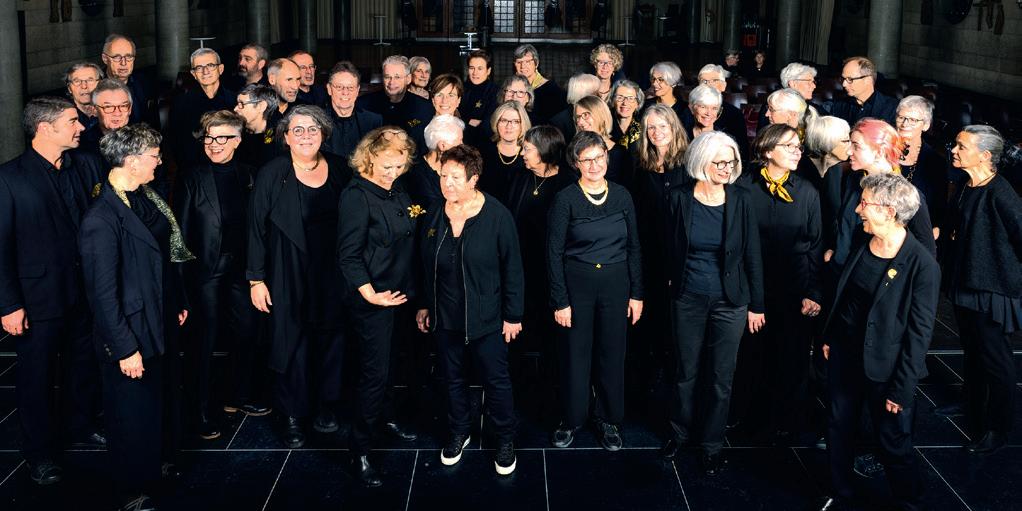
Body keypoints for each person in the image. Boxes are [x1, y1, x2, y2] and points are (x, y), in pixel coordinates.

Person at [80, 123, 192, 511]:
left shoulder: (146, 198)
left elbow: (163, 256)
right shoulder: (101, 219)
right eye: (154, 156)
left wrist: (176, 299)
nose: (159, 162)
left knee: (157, 401)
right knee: (130, 412)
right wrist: (124, 348)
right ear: (131, 161)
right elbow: (102, 294)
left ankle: (158, 464)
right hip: (130, 329)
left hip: (158, 317)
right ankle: (131, 489)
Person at [0, 97, 107, 486]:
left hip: (83, 290)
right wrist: (8, 304)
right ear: (45, 128)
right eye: (72, 121)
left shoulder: (86, 165)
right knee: (37, 377)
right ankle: (40, 453)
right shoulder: (8, 178)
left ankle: (81, 425)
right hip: (37, 297)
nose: (82, 127)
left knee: (83, 365)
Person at [818, 173, 938, 511]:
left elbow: (919, 334)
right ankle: (841, 491)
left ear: (888, 211)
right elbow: (846, 297)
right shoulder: (863, 241)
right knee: (839, 426)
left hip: (886, 367)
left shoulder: (922, 266)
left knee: (892, 442)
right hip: (845, 354)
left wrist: (902, 389)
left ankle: (909, 501)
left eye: (864, 203)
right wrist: (831, 337)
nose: (858, 210)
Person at [660, 131, 764, 478]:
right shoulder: (678, 198)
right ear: (701, 162)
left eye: (731, 162)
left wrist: (757, 304)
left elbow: (752, 254)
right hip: (687, 297)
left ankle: (712, 445)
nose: (726, 168)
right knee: (685, 372)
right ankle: (678, 434)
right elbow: (665, 246)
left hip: (730, 302)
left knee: (721, 377)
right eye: (719, 162)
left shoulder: (742, 199)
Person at [416, 143, 525, 476]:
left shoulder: (498, 216)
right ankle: (459, 431)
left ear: (473, 178)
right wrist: (425, 304)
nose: (447, 183)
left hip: (487, 316)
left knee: (496, 380)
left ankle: (504, 438)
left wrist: (513, 315)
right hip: (445, 314)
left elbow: (513, 268)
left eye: (455, 177)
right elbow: (425, 264)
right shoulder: (434, 213)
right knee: (452, 378)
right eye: (443, 176)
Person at [247, 105, 351, 449]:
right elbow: (256, 228)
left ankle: (326, 405)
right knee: (291, 341)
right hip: (286, 268)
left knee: (331, 338)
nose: (306, 136)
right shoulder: (272, 172)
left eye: (313, 129)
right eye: (298, 130)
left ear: (323, 134)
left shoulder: (339, 167)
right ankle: (292, 413)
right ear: (286, 137)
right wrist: (256, 279)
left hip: (332, 270)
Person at [173, 110, 269, 442]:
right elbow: (179, 235)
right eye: (209, 138)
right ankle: (199, 410)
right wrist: (181, 285)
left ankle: (236, 395)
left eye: (223, 138)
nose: (214, 144)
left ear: (238, 141)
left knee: (247, 331)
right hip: (206, 271)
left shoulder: (250, 175)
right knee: (205, 340)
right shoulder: (191, 177)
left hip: (242, 269)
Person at [547, 131, 643, 451]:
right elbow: (553, 253)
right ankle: (571, 418)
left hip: (617, 284)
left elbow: (634, 247)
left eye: (599, 157)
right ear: (576, 163)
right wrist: (560, 300)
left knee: (612, 353)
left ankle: (608, 418)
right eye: (586, 159)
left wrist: (637, 293)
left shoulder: (623, 195)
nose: (594, 165)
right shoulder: (565, 199)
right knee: (575, 354)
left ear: (607, 157)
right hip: (577, 286)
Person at [729, 124, 823, 440]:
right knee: (750, 356)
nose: (797, 152)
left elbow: (815, 246)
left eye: (798, 146)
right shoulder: (743, 187)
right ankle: (745, 415)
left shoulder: (807, 192)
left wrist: (813, 292)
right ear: (768, 151)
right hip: (752, 288)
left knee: (791, 357)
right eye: (789, 146)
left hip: (794, 289)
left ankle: (787, 420)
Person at [338, 127, 419, 487]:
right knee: (374, 374)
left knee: (392, 365)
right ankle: (360, 450)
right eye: (387, 166)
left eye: (400, 166)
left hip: (400, 294)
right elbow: (348, 255)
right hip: (374, 299)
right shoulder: (356, 196)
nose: (393, 173)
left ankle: (386, 418)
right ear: (370, 157)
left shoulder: (396, 188)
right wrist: (370, 295)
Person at [946, 125, 1022, 456]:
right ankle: (970, 403)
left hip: (991, 290)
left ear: (985, 155)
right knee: (973, 351)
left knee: (996, 360)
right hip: (966, 283)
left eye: (962, 146)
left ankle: (999, 428)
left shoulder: (1001, 192)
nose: (954, 150)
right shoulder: (968, 184)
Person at [506, 126, 573, 392]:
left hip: (553, 272)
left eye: (528, 149)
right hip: (521, 269)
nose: (522, 153)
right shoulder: (519, 177)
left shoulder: (567, 183)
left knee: (552, 338)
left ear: (545, 150)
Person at [826, 119, 936, 273]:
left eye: (856, 146)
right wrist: (833, 250)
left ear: (879, 152)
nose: (849, 151)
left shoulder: (908, 196)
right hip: (839, 273)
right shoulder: (853, 179)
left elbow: (927, 256)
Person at [169, 48, 236, 169]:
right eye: (199, 67)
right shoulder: (181, 103)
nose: (205, 71)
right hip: (195, 168)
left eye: (210, 65)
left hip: (230, 166)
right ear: (193, 74)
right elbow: (176, 143)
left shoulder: (235, 100)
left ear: (220, 69)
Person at [895, 96, 949, 239]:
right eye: (901, 117)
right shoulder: (882, 150)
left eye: (913, 120)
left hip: (915, 233)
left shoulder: (936, 162)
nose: (905, 124)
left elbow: (938, 208)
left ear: (925, 125)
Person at [356, 55, 433, 154]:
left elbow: (424, 147)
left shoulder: (424, 107)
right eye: (387, 77)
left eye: (397, 77)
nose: (392, 82)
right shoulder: (363, 105)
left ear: (408, 79)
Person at [804, 115, 852, 244]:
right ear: (827, 142)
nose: (851, 147)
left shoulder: (835, 169)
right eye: (845, 141)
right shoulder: (800, 170)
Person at [323, 62, 383, 161]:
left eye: (350, 88)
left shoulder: (373, 121)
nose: (345, 92)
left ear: (357, 90)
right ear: (329, 89)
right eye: (339, 87)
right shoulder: (317, 122)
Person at [404, 114, 464, 207]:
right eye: (459, 141)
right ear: (442, 146)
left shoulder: (460, 165)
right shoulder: (418, 176)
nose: (462, 145)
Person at [478, 101, 531, 204]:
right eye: (504, 120)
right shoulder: (482, 152)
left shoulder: (529, 156)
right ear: (496, 123)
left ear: (523, 125)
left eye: (516, 121)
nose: (509, 126)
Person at [696, 64, 751, 159]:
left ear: (723, 86)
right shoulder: (689, 112)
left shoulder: (734, 114)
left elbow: (742, 151)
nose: (708, 85)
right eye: (704, 81)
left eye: (714, 80)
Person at [574, 95, 632, 185]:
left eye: (585, 115)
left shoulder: (620, 153)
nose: (580, 122)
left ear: (600, 115)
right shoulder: (573, 150)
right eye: (578, 117)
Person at [827, 56, 898, 126]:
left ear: (867, 80)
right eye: (843, 79)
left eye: (850, 79)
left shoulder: (893, 108)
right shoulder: (838, 106)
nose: (844, 84)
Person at [100, 34, 150, 125]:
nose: (123, 63)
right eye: (117, 57)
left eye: (129, 57)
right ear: (105, 59)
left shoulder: (143, 82)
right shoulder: (95, 87)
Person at [79, 79, 134, 155]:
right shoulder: (82, 146)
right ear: (94, 110)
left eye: (123, 106)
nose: (117, 113)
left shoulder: (143, 140)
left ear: (130, 109)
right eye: (108, 107)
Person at [514, 44, 565, 125]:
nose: (523, 66)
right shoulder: (510, 89)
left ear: (536, 63)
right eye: (519, 62)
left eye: (528, 62)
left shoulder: (551, 89)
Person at [234, 84, 282, 170]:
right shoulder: (237, 132)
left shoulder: (280, 139)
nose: (235, 109)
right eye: (237, 104)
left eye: (242, 104)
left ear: (261, 106)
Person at [549, 73, 601, 143]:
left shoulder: (599, 112)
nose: (600, 95)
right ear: (584, 94)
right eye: (595, 92)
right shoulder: (559, 122)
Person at [463, 49, 499, 130]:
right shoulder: (461, 89)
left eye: (480, 68)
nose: (475, 73)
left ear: (488, 71)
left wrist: (465, 120)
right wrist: (468, 121)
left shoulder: (496, 92)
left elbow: (489, 124)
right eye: (472, 68)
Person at [65, 62, 104, 131]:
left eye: (90, 80)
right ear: (69, 88)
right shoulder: (62, 117)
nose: (84, 86)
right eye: (77, 81)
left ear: (101, 84)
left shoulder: (114, 110)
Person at [266, 58, 302, 129]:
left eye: (298, 79)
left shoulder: (304, 109)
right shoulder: (258, 111)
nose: (295, 87)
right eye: (289, 79)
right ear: (272, 80)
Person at [609, 80, 644, 149]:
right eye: (620, 97)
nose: (625, 103)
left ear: (637, 103)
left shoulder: (644, 127)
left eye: (631, 98)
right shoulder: (605, 126)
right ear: (613, 101)